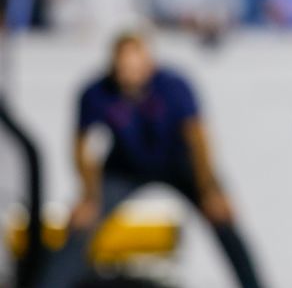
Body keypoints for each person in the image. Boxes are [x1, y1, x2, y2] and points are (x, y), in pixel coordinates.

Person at [36, 32, 265, 288]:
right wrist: (89, 196)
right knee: (82, 222)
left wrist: (210, 189)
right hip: (126, 166)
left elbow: (198, 140)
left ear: (149, 62)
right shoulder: (96, 92)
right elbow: (82, 146)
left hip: (179, 164)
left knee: (222, 217)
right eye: (123, 66)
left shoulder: (174, 87)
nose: (129, 73)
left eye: (135, 64)